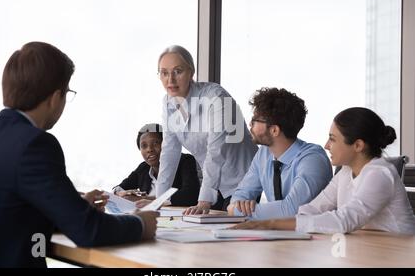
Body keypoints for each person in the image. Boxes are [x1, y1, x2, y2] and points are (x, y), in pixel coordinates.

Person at [0, 42, 158, 267]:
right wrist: (140, 223)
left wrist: (70, 209)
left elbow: (6, 216)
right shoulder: (35, 144)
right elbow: (88, 232)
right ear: (55, 97)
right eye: (67, 93)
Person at [231, 107, 415, 235]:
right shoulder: (344, 173)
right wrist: (276, 224)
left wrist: (271, 223)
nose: (327, 146)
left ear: (358, 145)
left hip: (397, 253)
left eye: (333, 139)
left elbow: (344, 220)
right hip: (368, 249)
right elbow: (312, 209)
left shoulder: (379, 173)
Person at [155, 45, 258, 214]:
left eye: (177, 71)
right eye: (164, 73)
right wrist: (158, 201)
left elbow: (216, 151)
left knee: (231, 232)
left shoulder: (216, 97)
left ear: (191, 72)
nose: (170, 80)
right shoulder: (168, 102)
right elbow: (169, 152)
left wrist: (204, 201)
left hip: (243, 178)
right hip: (213, 182)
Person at [227, 87, 333, 220]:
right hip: (278, 235)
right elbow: (240, 195)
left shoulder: (313, 159)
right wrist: (237, 206)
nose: (250, 124)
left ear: (274, 130)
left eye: (255, 121)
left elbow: (291, 210)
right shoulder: (264, 154)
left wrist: (237, 211)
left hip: (314, 237)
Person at [113, 123, 200, 208]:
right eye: (144, 146)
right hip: (150, 216)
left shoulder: (185, 160)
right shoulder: (144, 167)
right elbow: (118, 188)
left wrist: (149, 199)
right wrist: (121, 193)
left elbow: (191, 195)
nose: (149, 149)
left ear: (167, 144)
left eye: (155, 143)